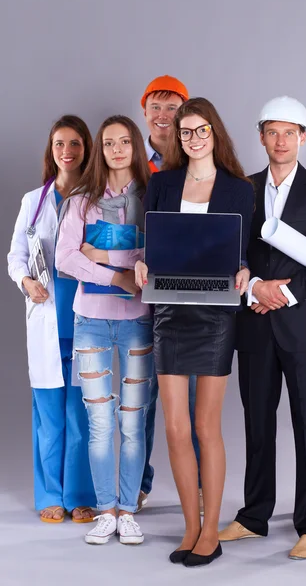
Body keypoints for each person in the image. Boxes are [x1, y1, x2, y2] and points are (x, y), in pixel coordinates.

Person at [219, 96, 306, 560]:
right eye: (272, 132)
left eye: (289, 133)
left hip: (304, 326)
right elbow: (231, 251)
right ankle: (254, 515)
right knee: (257, 424)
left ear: (303, 138)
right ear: (261, 136)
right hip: (254, 323)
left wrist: (288, 291)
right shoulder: (243, 188)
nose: (280, 141)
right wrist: (255, 286)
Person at [135, 97, 254, 567]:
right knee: (175, 428)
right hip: (169, 306)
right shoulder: (161, 184)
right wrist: (143, 262)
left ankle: (211, 531)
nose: (193, 138)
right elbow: (151, 242)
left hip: (217, 311)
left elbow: (245, 250)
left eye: (201, 130)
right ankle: (189, 527)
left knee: (206, 426)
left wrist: (245, 269)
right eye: (185, 132)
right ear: (178, 138)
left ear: (214, 132)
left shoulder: (238, 189)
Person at [56, 115, 153, 545]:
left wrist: (96, 252)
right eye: (109, 142)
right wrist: (118, 272)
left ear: (135, 146)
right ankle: (106, 511)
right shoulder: (80, 200)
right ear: (101, 149)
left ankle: (129, 511)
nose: (117, 149)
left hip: (138, 322)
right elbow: (64, 258)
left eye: (125, 141)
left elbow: (159, 253)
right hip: (91, 321)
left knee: (132, 424)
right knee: (100, 424)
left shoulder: (154, 198)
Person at [7, 115, 96, 524]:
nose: (67, 151)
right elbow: (15, 257)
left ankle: (80, 496)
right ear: (51, 149)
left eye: (75, 143)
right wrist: (26, 281)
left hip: (84, 318)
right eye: (60, 143)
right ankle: (49, 496)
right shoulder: (33, 200)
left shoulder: (96, 199)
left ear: (85, 149)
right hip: (45, 319)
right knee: (48, 414)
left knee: (82, 414)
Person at [138, 75, 203, 515]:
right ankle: (135, 484)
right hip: (138, 298)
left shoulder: (198, 165)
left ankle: (197, 490)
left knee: (193, 404)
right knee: (140, 400)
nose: (163, 116)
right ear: (145, 112)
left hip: (186, 301)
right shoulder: (125, 158)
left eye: (172, 108)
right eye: (155, 107)